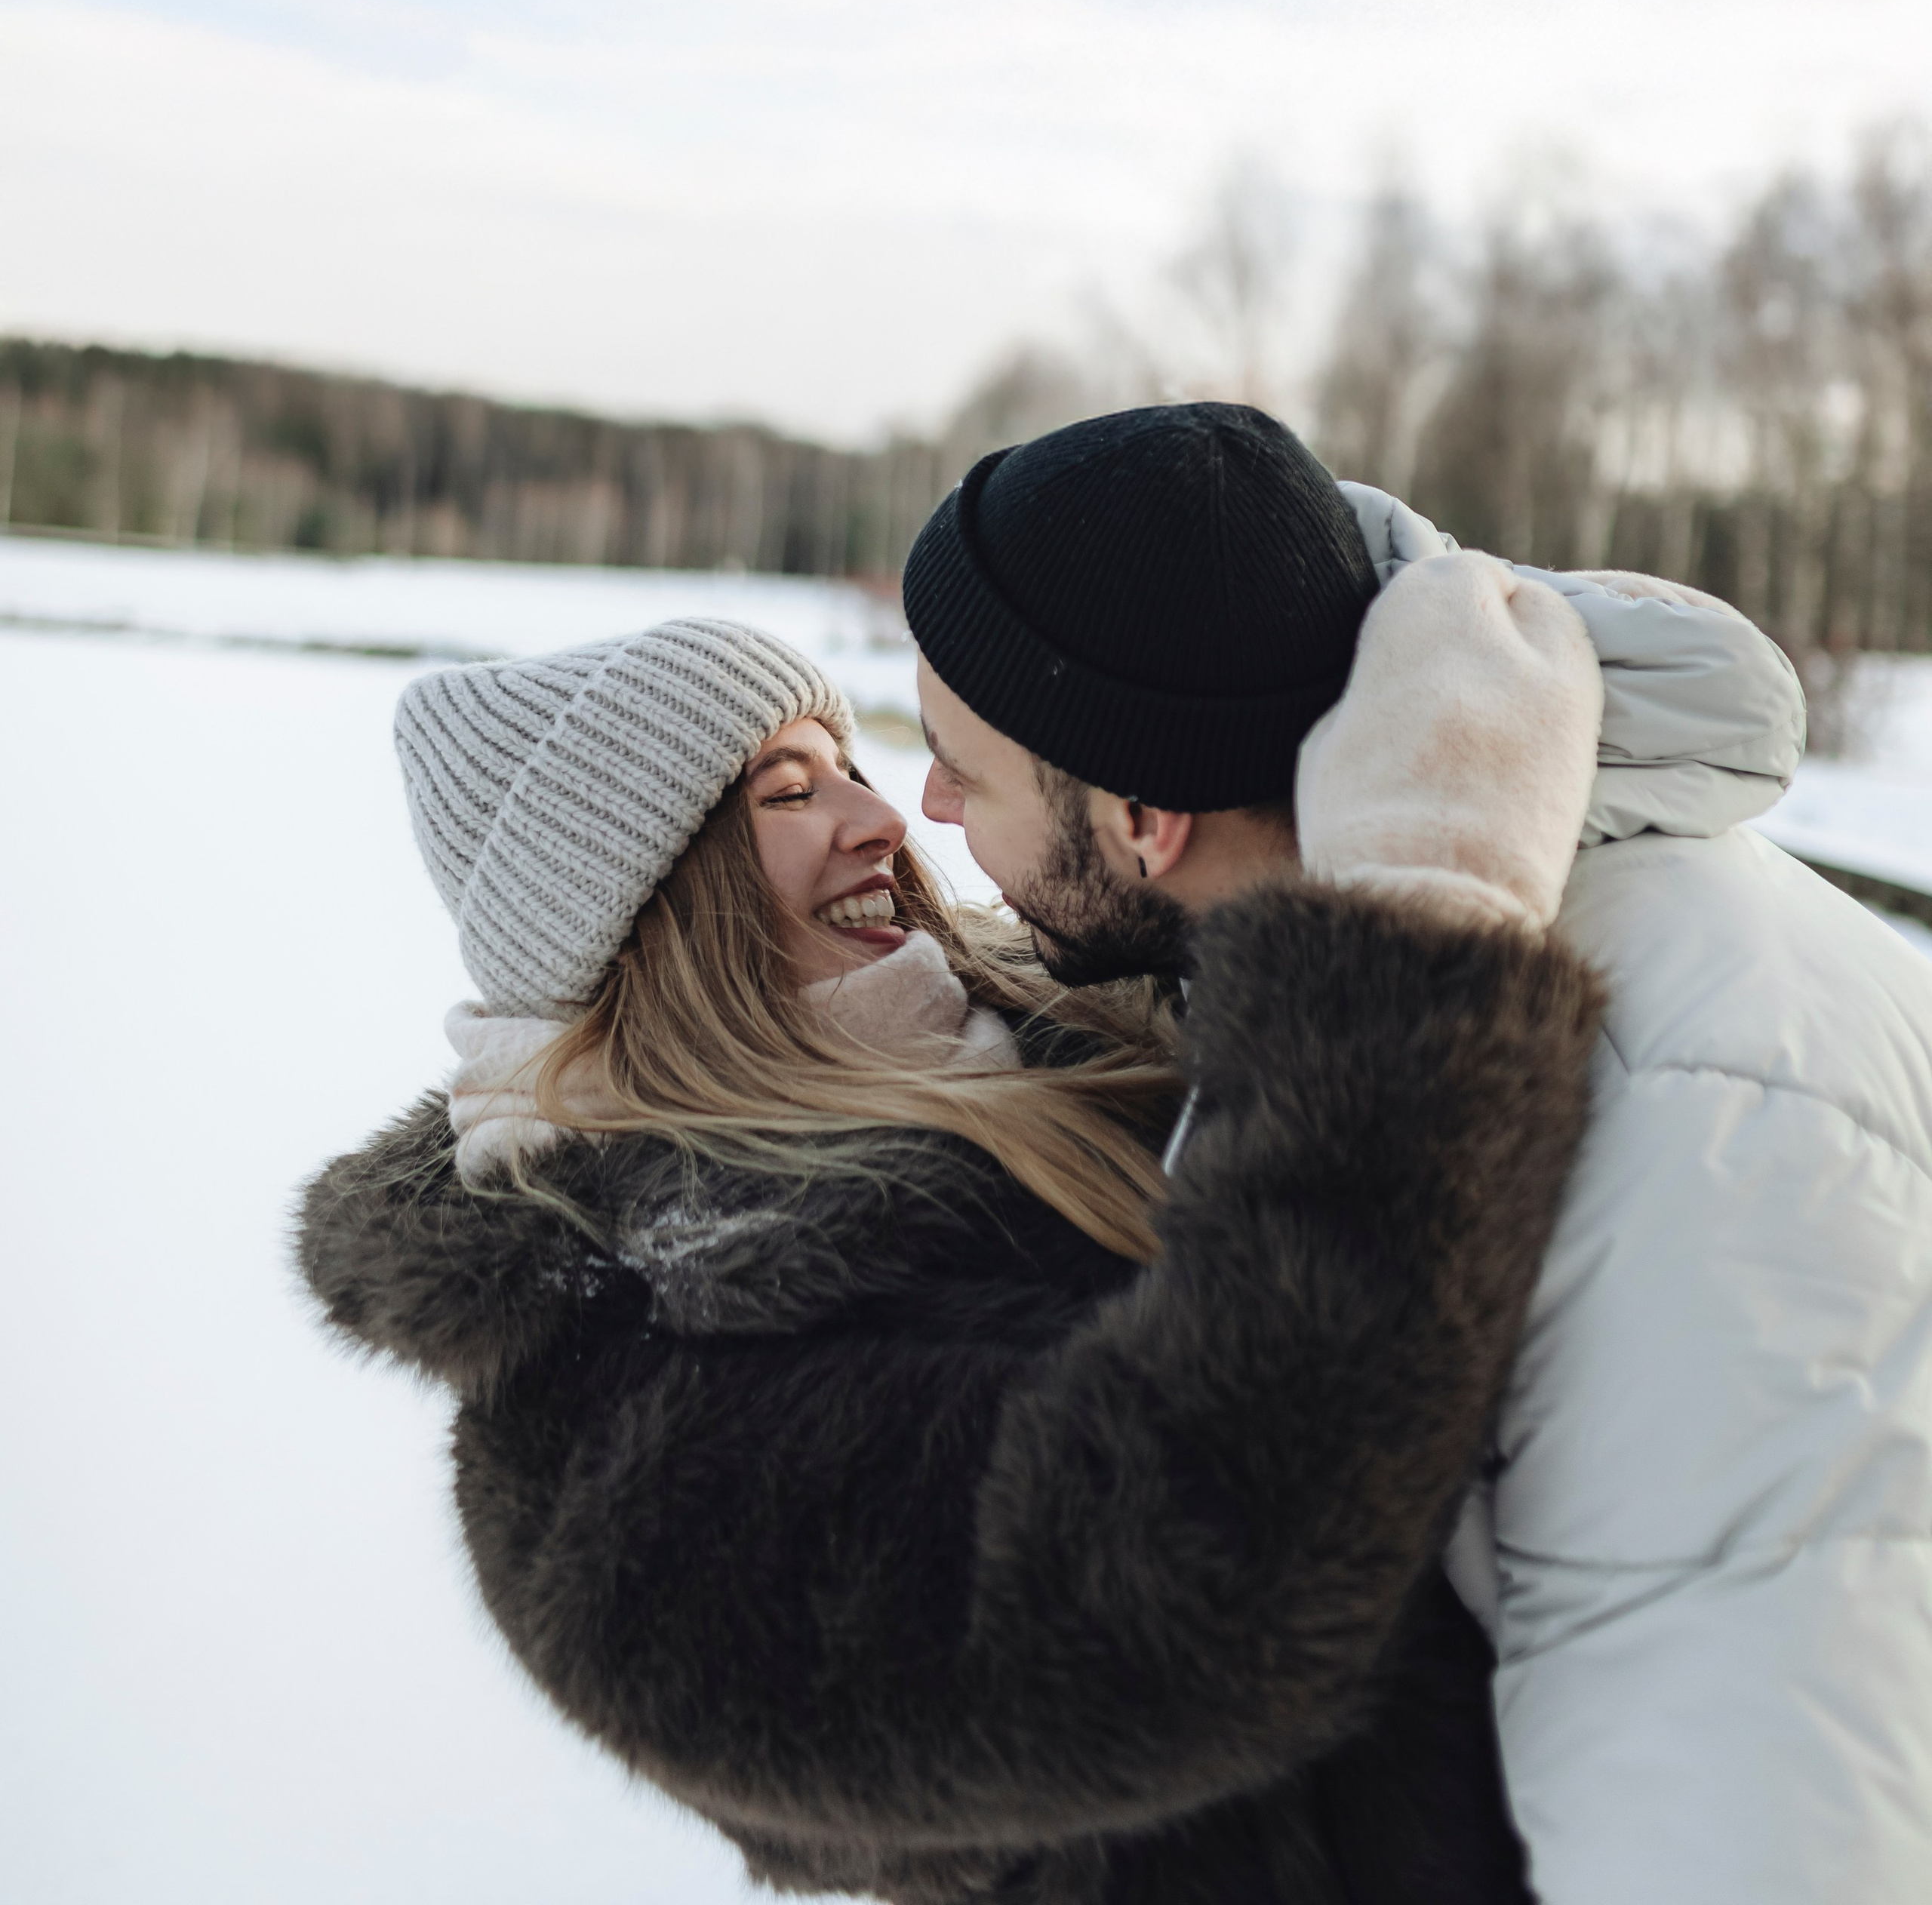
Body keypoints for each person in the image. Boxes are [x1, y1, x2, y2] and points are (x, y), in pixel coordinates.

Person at [298, 609, 1604, 1904]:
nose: (883, 822)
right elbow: (1169, 1601)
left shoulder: (1046, 1020)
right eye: (788, 793)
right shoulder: (600, 1452)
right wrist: (1430, 944)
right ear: (648, 903)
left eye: (853, 768)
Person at [904, 401, 1932, 1905]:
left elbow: (1751, 1792)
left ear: (1141, 817)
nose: (926, 806)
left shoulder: (1665, 1106)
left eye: (959, 768)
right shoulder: (1472, 900)